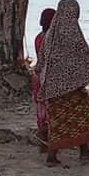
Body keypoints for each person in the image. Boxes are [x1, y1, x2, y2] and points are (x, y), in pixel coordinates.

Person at [37, 0, 89, 167]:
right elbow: (84, 55)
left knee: (61, 121)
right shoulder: (71, 33)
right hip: (70, 88)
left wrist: (43, 81)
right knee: (83, 117)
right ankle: (54, 156)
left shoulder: (49, 35)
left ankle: (82, 152)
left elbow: (41, 61)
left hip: (52, 88)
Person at [31, 8, 56, 152]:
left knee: (41, 112)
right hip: (48, 77)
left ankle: (43, 145)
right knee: (51, 113)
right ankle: (48, 144)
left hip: (37, 77)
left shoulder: (38, 38)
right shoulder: (53, 40)